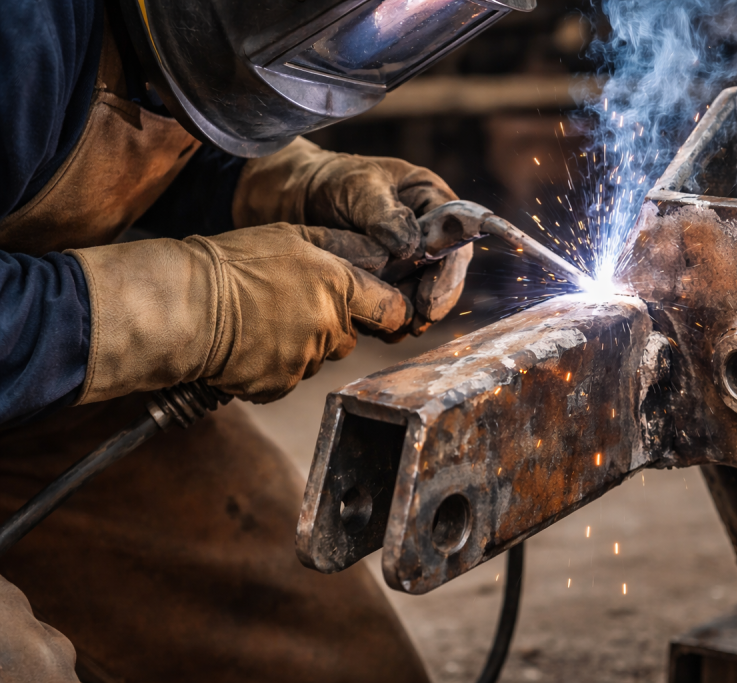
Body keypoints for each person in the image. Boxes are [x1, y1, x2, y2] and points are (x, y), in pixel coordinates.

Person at [0, 0, 533, 679]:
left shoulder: (146, 38)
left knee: (344, 666)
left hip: (36, 406)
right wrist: (200, 307)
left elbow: (112, 129)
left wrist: (294, 187)